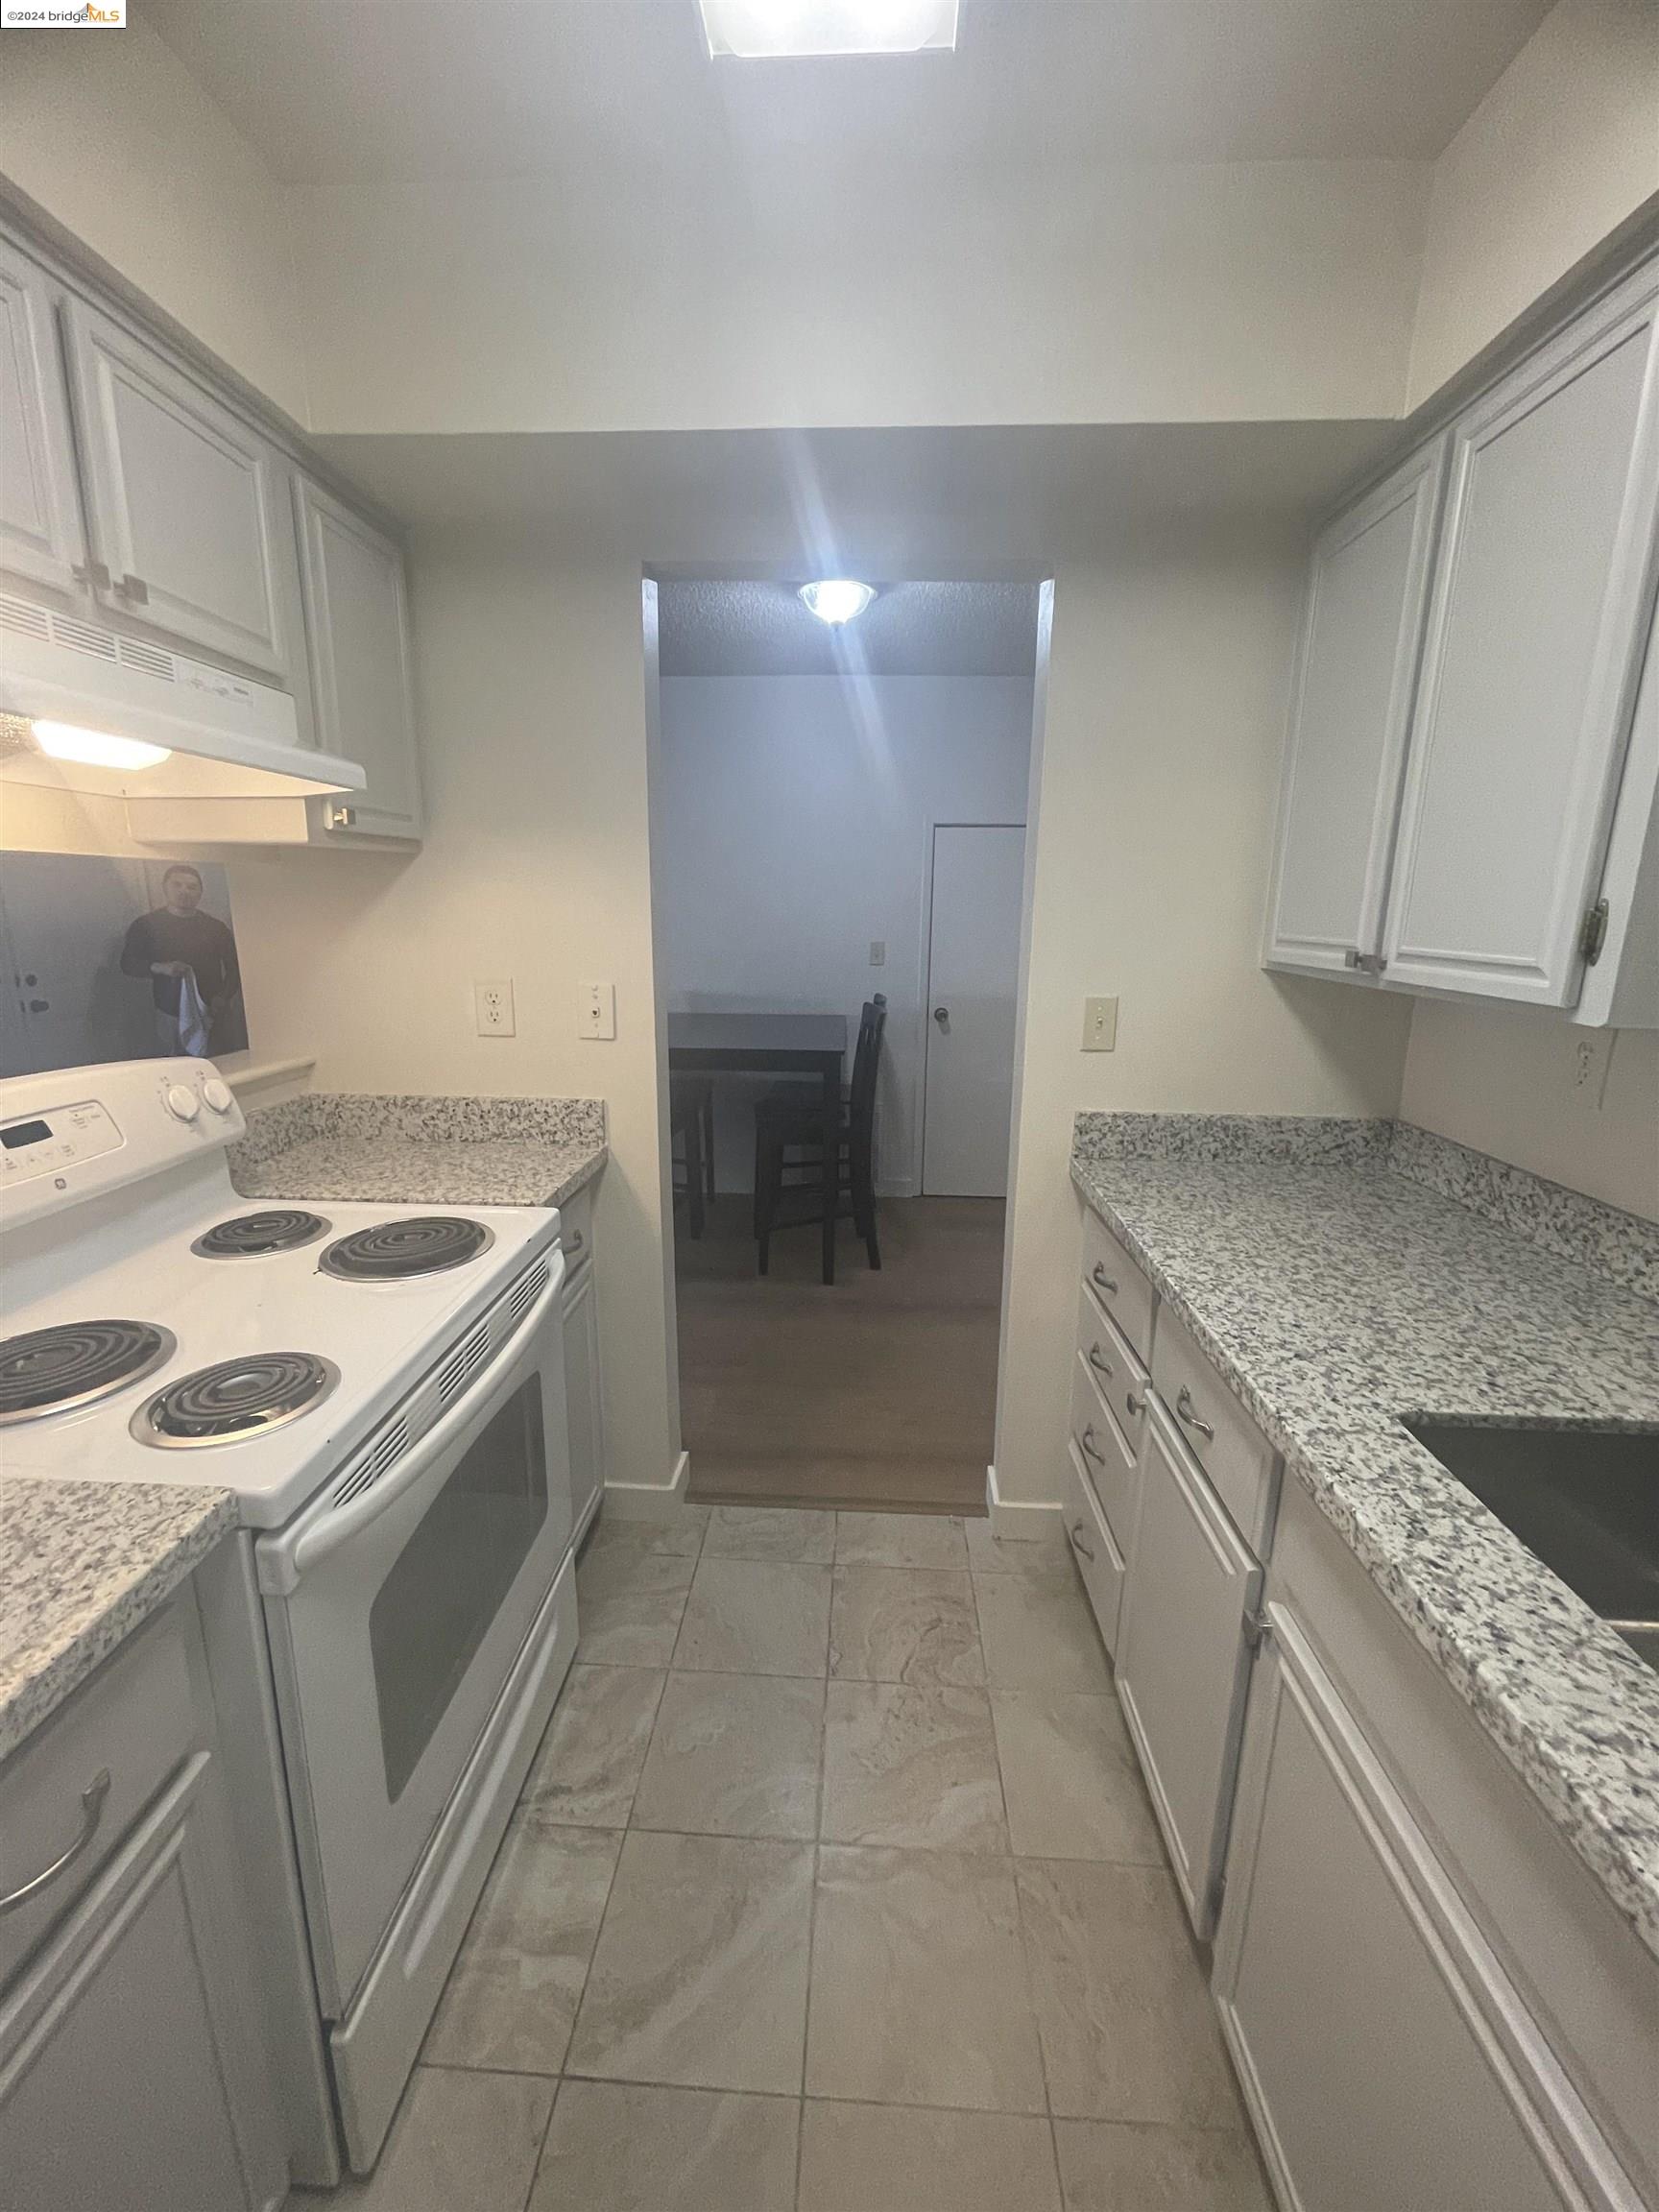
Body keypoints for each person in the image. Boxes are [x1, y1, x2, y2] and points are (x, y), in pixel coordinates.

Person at [120, 864, 247, 1057]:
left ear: (200, 892)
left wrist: (223, 997)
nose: (184, 891)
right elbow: (128, 963)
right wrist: (161, 968)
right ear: (165, 888)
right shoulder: (146, 926)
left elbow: (235, 968)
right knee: (174, 1064)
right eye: (177, 885)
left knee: (218, 1062)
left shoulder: (215, 928)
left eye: (191, 887)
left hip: (212, 1009)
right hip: (168, 1010)